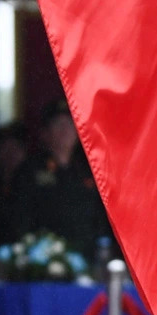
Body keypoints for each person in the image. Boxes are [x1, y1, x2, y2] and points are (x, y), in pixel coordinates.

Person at [11, 98, 112, 256]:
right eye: (59, 124)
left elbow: (100, 222)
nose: (66, 130)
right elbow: (20, 221)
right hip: (44, 263)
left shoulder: (89, 171)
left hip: (87, 262)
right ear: (45, 133)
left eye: (70, 124)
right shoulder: (30, 171)